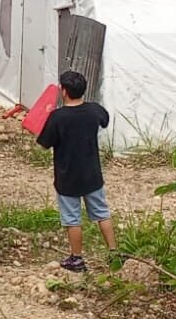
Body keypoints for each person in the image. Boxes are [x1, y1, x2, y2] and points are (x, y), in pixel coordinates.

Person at [35, 70, 116, 273]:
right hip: (92, 174)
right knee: (102, 214)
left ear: (64, 91)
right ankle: (115, 253)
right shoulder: (94, 110)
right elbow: (105, 120)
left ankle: (77, 258)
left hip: (67, 176)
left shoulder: (58, 117)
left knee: (73, 219)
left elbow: (44, 143)